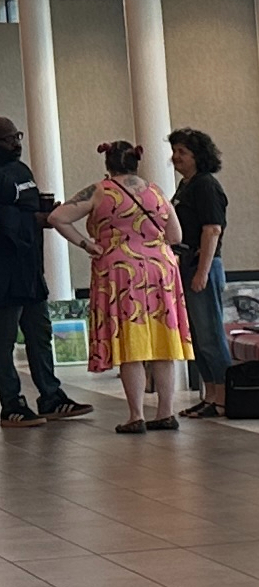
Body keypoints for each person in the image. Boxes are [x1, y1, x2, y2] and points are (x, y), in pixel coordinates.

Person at [49, 142, 190, 432]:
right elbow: (175, 235)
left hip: (120, 271)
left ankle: (136, 415)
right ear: (136, 163)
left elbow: (57, 217)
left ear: (108, 164)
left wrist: (88, 245)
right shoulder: (156, 191)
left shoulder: (101, 190)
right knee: (164, 343)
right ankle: (166, 412)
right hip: (160, 271)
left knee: (130, 343)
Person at [0, 117, 86, 424]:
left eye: (17, 136)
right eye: (9, 139)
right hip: (5, 277)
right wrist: (37, 220)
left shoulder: (22, 172)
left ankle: (51, 396)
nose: (17, 143)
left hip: (30, 271)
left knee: (40, 335)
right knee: (4, 342)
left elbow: (27, 212)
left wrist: (50, 215)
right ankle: (11, 403)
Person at [169, 129, 232, 418]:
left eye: (182, 152)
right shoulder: (185, 186)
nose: (176, 157)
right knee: (197, 335)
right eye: (175, 151)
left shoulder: (206, 185)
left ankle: (223, 396)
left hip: (202, 266)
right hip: (185, 265)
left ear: (198, 156)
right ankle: (209, 394)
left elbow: (212, 230)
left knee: (209, 334)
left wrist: (202, 272)